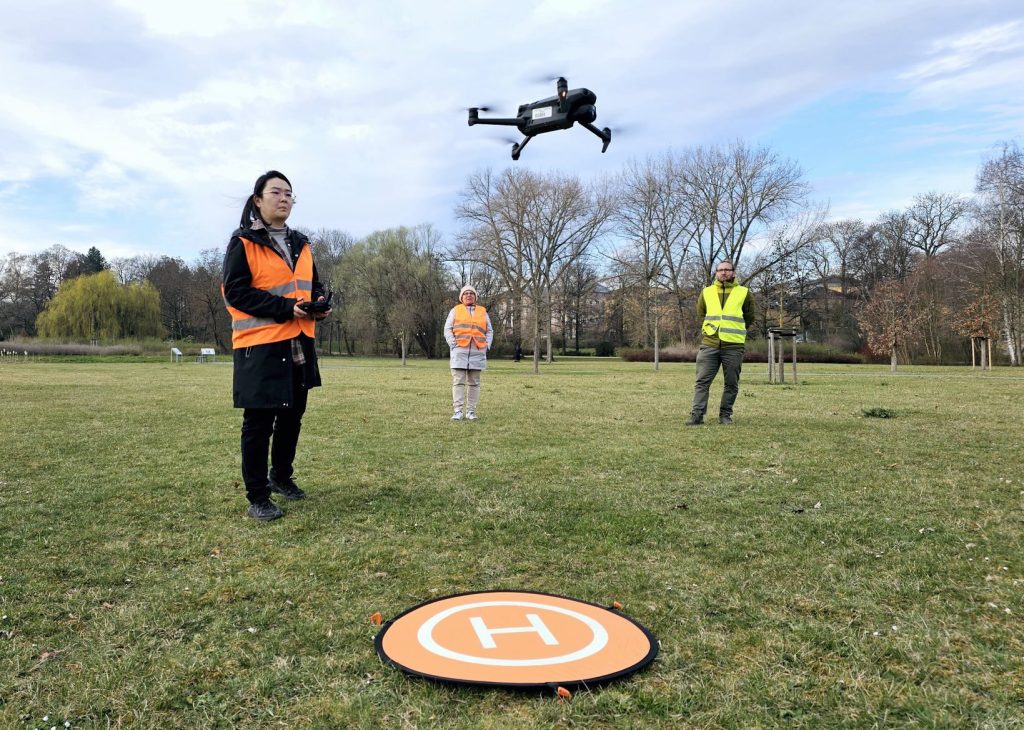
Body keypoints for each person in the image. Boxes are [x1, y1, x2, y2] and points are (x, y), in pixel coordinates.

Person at [222, 170, 331, 521]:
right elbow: (235, 292)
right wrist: (284, 307)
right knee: (258, 423)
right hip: (260, 345)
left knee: (292, 416)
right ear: (258, 200)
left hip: (299, 341)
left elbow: (312, 284)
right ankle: (258, 497)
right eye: (276, 192)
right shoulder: (243, 242)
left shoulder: (302, 243)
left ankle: (281, 477)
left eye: (289, 194)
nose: (284, 199)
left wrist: (319, 302)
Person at [687, 260, 756, 426]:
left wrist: (735, 329)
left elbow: (749, 317)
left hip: (733, 346)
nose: (724, 272)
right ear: (716, 273)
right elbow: (701, 314)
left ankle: (725, 415)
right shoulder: (707, 292)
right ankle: (697, 415)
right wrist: (710, 329)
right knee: (702, 382)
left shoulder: (744, 293)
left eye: (727, 270)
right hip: (709, 344)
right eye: (720, 270)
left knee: (731, 383)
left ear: (733, 272)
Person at [444, 284, 493, 421]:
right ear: (461, 297)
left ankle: (471, 411)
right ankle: (457, 411)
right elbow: (447, 329)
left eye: (471, 293)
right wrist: (453, 344)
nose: (469, 295)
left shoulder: (483, 311)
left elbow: (489, 330)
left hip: (478, 351)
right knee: (458, 382)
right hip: (459, 351)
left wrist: (487, 345)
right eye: (466, 293)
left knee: (474, 383)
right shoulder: (455, 310)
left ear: (475, 296)